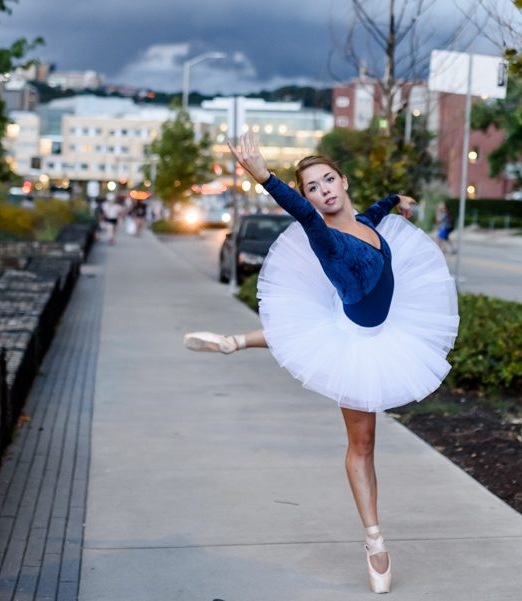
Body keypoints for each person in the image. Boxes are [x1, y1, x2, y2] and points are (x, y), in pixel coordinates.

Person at [183, 134, 459, 594]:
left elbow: (372, 214)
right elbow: (302, 214)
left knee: (303, 337)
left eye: (329, 179)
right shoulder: (323, 236)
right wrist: (264, 176)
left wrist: (396, 199)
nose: (324, 190)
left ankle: (234, 341)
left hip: (384, 330)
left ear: (344, 181)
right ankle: (375, 543)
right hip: (359, 345)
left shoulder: (366, 221)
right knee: (363, 444)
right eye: (313, 186)